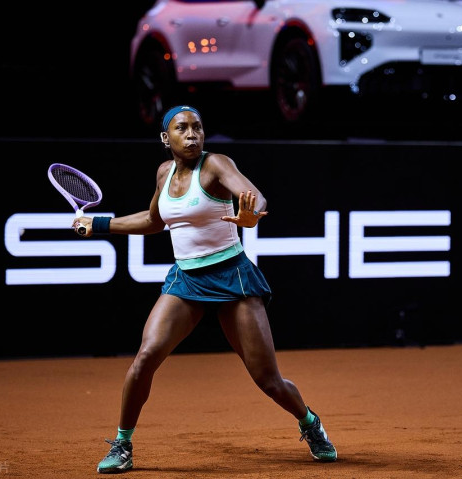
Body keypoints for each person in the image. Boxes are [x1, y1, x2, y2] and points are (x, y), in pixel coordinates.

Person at [73, 105, 337, 473]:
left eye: (197, 127)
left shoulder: (215, 165)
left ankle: (309, 423)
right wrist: (99, 224)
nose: (192, 134)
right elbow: (153, 221)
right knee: (145, 357)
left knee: (268, 380)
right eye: (182, 128)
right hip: (187, 279)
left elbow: (254, 197)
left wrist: (250, 215)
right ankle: (123, 443)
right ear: (166, 138)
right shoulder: (164, 173)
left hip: (232, 278)